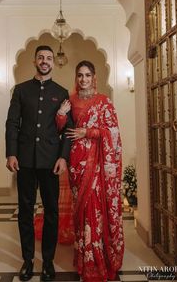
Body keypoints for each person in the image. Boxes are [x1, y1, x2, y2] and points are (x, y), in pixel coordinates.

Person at [5, 45, 73, 282]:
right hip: (24, 161)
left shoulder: (62, 92)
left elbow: (68, 130)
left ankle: (48, 262)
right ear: (35, 61)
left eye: (49, 58)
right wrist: (11, 153)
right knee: (25, 211)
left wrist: (63, 157)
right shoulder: (21, 90)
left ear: (53, 63)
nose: (45, 61)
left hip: (51, 162)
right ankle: (27, 261)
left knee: (51, 212)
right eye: (41, 58)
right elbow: (12, 123)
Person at [56, 60, 124, 281]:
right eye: (80, 75)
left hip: (97, 165)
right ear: (76, 78)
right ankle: (84, 257)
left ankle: (97, 258)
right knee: (82, 210)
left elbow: (112, 133)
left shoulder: (104, 102)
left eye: (87, 75)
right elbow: (62, 130)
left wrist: (89, 132)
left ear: (94, 77)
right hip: (76, 164)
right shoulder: (71, 100)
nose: (83, 79)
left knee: (95, 210)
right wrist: (60, 115)